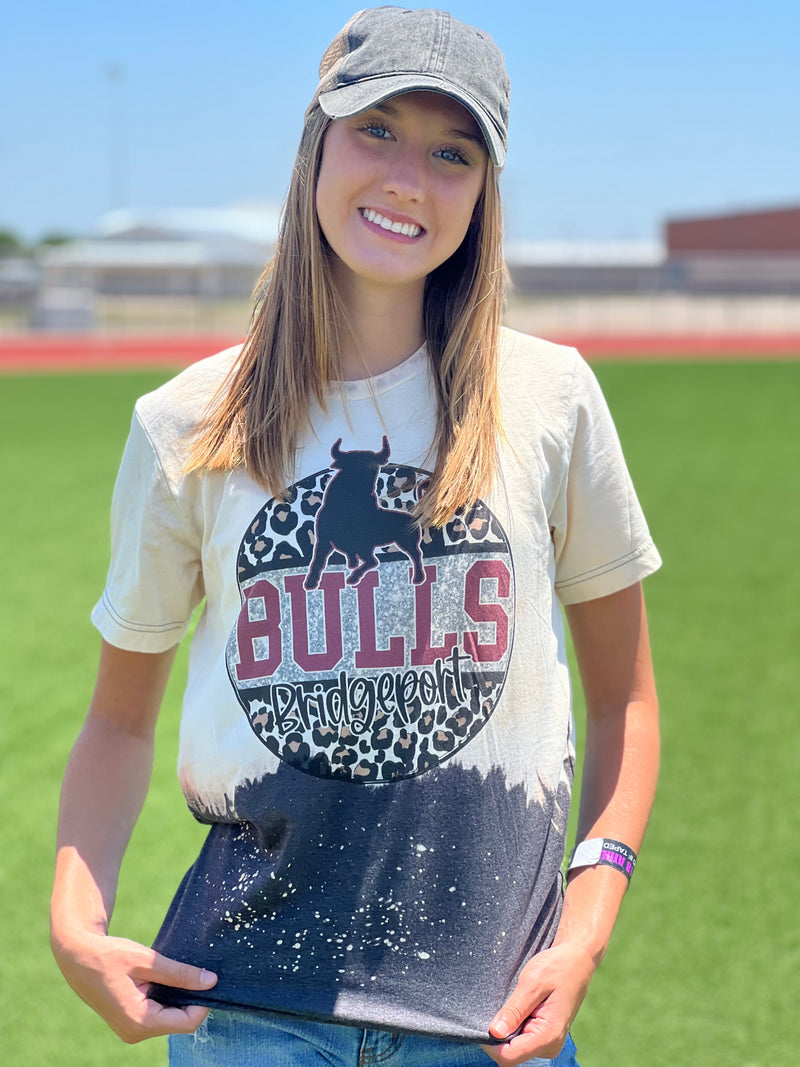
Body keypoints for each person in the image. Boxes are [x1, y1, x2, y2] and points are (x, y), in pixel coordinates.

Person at [50, 8, 661, 1066]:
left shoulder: (550, 398)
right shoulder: (189, 424)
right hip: (246, 1011)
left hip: (488, 1024)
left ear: (482, 189)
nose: (407, 179)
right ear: (314, 142)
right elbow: (117, 723)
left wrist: (590, 914)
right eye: (375, 129)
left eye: (450, 152)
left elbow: (624, 700)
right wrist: (75, 922)